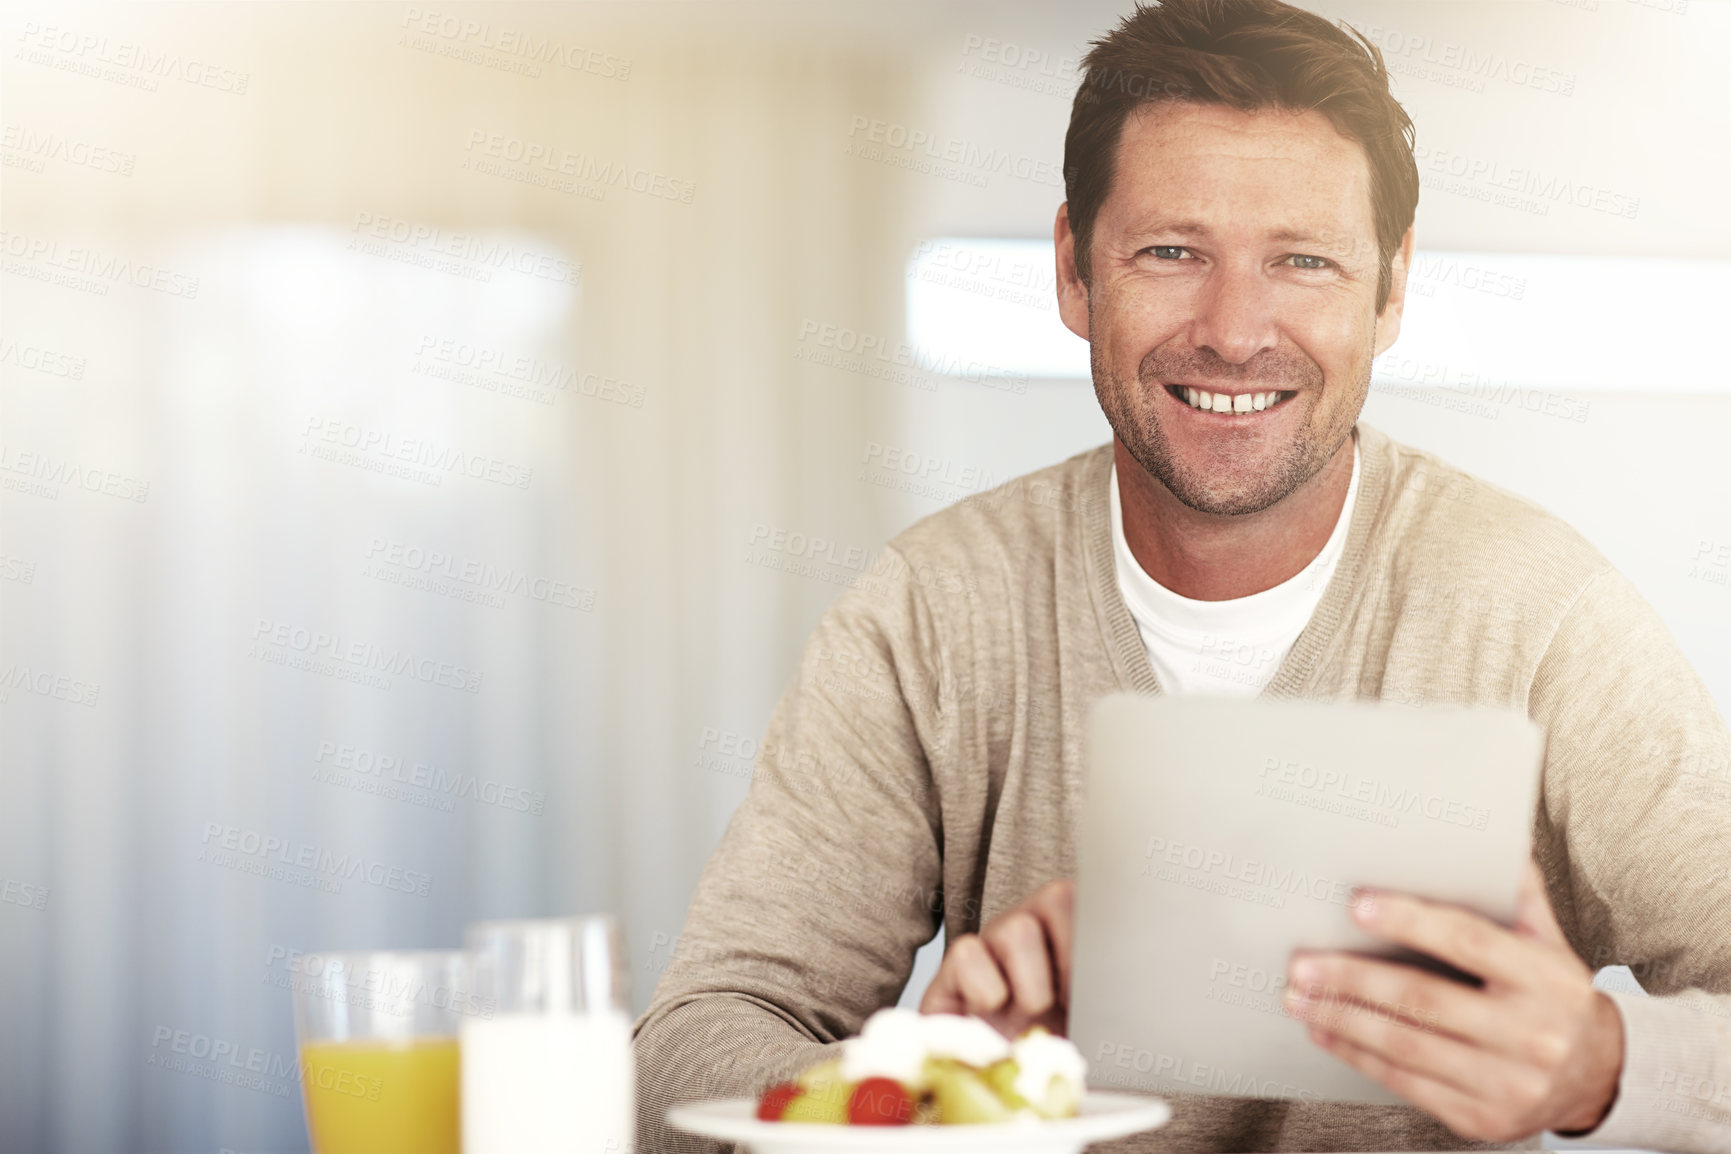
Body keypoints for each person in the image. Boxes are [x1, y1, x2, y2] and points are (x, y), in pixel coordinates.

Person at [633, 1, 1731, 1151]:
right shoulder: (932, 612)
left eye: (1303, 261)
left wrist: (1605, 1066)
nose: (1236, 329)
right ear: (1072, 268)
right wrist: (931, 1085)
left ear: (1392, 289)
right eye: (1172, 252)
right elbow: (690, 1044)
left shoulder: (1542, 614)